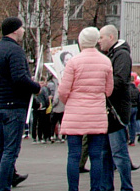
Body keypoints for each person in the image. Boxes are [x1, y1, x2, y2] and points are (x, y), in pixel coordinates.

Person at [57, 26, 113, 191]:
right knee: (96, 157)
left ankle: (73, 188)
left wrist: (71, 101)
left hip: (75, 113)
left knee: (73, 155)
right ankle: (95, 188)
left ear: (81, 42)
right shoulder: (105, 61)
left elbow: (63, 90)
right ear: (96, 41)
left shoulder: (74, 62)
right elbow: (108, 90)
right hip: (96, 114)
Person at [0, 16, 41, 191]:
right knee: (10, 152)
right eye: (21, 27)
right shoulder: (15, 50)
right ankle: (3, 188)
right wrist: (36, 87)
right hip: (13, 106)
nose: (24, 30)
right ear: (14, 30)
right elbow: (19, 78)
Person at [98, 24, 135, 191]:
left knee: (119, 154)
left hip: (117, 112)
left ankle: (126, 187)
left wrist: (101, 83)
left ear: (111, 38)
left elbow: (119, 81)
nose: (99, 41)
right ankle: (107, 187)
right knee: (106, 154)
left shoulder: (122, 55)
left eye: (101, 38)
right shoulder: (112, 55)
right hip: (109, 111)